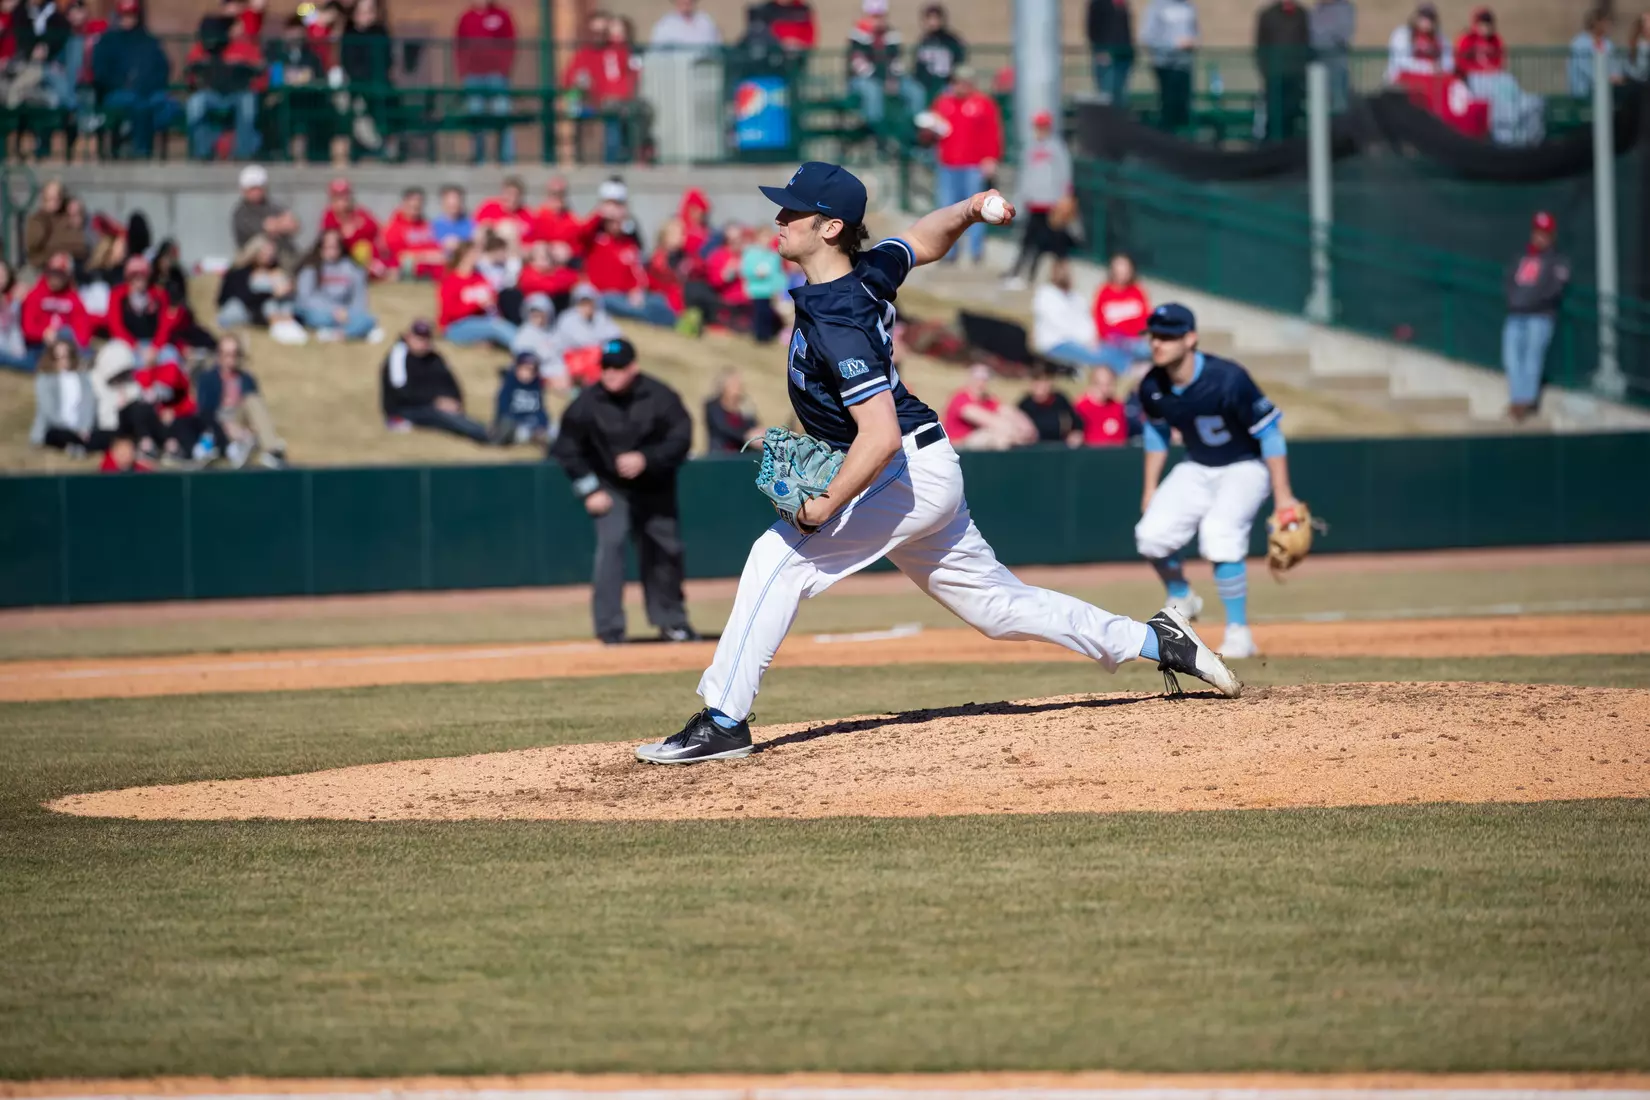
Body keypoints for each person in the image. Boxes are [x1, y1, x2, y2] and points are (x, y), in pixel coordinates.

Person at [633, 163, 1241, 764]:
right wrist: (971, 209)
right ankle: (1154, 638)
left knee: (778, 558)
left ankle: (723, 719)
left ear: (829, 227)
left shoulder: (841, 317)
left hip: (903, 470)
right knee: (997, 608)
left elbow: (879, 438)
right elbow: (923, 239)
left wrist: (822, 505)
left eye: (793, 210)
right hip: (924, 464)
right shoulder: (867, 273)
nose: (779, 218)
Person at [1134, 303, 1298, 662]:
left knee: (1220, 533)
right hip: (1198, 465)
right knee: (1151, 535)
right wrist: (1150, 487)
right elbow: (1156, 433)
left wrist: (1283, 495)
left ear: (1190, 338)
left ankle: (1239, 633)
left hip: (1244, 465)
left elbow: (1270, 433)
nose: (1157, 343)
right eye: (1153, 335)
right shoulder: (1152, 385)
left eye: (1168, 335)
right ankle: (1182, 595)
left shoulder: (1228, 378)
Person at [551, 336, 698, 646]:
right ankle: (610, 629)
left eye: (617, 367)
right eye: (605, 367)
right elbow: (566, 448)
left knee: (664, 550)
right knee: (612, 546)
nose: (610, 374)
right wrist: (589, 489)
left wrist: (647, 459)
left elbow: (681, 438)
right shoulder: (588, 403)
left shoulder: (659, 396)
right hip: (609, 486)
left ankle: (672, 622)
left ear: (633, 367)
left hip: (654, 484)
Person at [929, 67, 1002, 265]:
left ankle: (976, 250)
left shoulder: (984, 104)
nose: (961, 86)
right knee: (947, 210)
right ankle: (949, 252)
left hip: (973, 165)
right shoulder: (943, 103)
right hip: (948, 165)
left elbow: (992, 133)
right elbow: (930, 131)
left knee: (976, 210)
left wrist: (991, 157)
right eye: (958, 82)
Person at [1502, 211, 1570, 422]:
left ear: (1551, 236)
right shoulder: (1522, 257)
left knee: (1532, 359)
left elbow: (1555, 289)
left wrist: (1531, 302)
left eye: (1544, 233)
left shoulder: (1558, 260)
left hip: (1539, 317)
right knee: (1511, 358)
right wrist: (1515, 300)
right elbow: (1509, 280)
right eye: (1537, 232)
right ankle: (1516, 399)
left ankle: (1525, 402)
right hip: (1516, 315)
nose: (1539, 236)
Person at [90, 0, 175, 158]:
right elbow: (101, 73)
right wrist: (123, 83)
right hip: (116, 92)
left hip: (148, 91)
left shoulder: (149, 42)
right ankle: (141, 152)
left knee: (165, 105)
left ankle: (155, 152)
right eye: (125, 15)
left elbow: (162, 69)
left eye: (132, 15)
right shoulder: (107, 41)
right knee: (138, 104)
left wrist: (148, 85)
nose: (128, 19)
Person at [380, 319, 490, 442]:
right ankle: (485, 436)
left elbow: (449, 381)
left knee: (454, 416)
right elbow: (400, 392)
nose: (423, 343)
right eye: (419, 338)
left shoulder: (434, 358)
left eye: (426, 338)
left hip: (431, 405)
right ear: (408, 337)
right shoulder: (398, 356)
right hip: (404, 409)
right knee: (444, 417)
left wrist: (454, 401)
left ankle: (489, 430)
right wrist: (435, 402)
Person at [184, 5, 265, 160]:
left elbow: (261, 74)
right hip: (212, 94)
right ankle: (202, 153)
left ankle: (243, 153)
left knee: (248, 102)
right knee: (196, 103)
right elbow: (190, 74)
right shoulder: (204, 47)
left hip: (239, 94)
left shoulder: (246, 48)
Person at [196, 333, 286, 467]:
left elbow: (256, 410)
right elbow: (205, 410)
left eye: (235, 353)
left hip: (240, 419)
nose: (231, 358)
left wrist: (248, 428)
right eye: (226, 354)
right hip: (219, 421)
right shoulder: (208, 378)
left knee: (252, 400)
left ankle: (271, 450)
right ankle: (239, 448)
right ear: (219, 355)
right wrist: (225, 426)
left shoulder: (246, 379)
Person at [1006, 109, 1072, 288]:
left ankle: (1061, 279)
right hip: (1034, 204)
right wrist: (1020, 200)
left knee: (1057, 245)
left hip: (1052, 205)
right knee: (1028, 241)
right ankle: (1018, 273)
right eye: (1038, 126)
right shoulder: (1030, 147)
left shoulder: (1056, 147)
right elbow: (1025, 176)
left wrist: (1064, 197)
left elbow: (1064, 174)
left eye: (1043, 126)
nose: (1040, 129)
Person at [455, 0, 518, 165]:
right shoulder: (466, 17)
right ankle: (478, 159)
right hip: (473, 76)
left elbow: (510, 42)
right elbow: (459, 46)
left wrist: (504, 68)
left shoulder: (501, 15)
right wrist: (463, 71)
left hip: (496, 76)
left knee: (502, 113)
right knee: (475, 115)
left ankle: (506, 159)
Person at [846, 0, 924, 129]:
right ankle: (875, 129)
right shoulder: (857, 35)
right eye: (874, 16)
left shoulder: (892, 34)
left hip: (889, 78)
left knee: (915, 89)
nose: (877, 20)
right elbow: (861, 66)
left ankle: (915, 127)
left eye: (880, 16)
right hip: (862, 80)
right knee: (873, 90)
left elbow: (896, 62)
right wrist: (885, 79)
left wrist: (893, 78)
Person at [217, 234, 307, 345]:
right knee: (268, 304)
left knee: (284, 303)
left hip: (269, 308)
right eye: (265, 253)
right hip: (243, 309)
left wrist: (288, 288)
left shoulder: (276, 271)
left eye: (271, 253)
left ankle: (288, 325)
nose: (269, 256)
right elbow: (244, 297)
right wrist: (272, 293)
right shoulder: (240, 273)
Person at [296, 228, 382, 342]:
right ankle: (356, 332)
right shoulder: (310, 268)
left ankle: (338, 334)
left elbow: (359, 297)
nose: (331, 251)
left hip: (346, 313)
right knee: (317, 317)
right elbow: (305, 298)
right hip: (320, 312)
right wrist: (334, 310)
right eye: (327, 247)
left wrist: (350, 313)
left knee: (368, 320)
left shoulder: (352, 268)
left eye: (335, 247)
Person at [438, 241, 518, 348]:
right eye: (474, 254)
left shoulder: (479, 277)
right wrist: (476, 305)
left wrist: (491, 300)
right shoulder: (451, 281)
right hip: (456, 326)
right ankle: (525, 349)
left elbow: (492, 295)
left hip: (483, 320)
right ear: (464, 256)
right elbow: (450, 312)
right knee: (496, 326)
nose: (477, 257)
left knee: (500, 323)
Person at [107, 254, 181, 366]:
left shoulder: (159, 295)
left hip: (152, 344)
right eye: (134, 275)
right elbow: (115, 326)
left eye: (142, 274)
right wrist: (136, 347)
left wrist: (154, 348)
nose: (139, 279)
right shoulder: (117, 295)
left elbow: (164, 326)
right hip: (128, 344)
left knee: (171, 355)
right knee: (118, 356)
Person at [1032, 259, 1106, 371]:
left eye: (1067, 272)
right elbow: (1060, 326)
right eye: (1061, 272)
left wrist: (1093, 338)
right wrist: (1085, 341)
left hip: (1082, 342)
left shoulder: (1076, 298)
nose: (1064, 275)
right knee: (1098, 357)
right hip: (1055, 344)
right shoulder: (1045, 296)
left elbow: (1087, 320)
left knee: (1109, 350)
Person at [1255, 0, 1311, 140]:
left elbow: (1306, 41)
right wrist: (1266, 70)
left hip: (1295, 75)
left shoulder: (1301, 14)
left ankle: (1290, 147)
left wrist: (1302, 69)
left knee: (1292, 112)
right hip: (1274, 74)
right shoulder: (1267, 15)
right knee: (1274, 113)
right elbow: (1261, 44)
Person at [21, 252, 91, 361]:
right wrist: (44, 333)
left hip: (66, 344)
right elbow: (28, 327)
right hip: (40, 345)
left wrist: (75, 343)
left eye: (60, 274)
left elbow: (82, 327)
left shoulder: (73, 298)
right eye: (52, 272)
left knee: (69, 335)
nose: (55, 278)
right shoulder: (35, 294)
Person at [30, 337, 95, 454]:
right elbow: (48, 410)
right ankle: (76, 445)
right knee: (56, 435)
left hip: (80, 428)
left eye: (66, 356)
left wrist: (84, 428)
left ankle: (79, 444)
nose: (62, 360)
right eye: (58, 357)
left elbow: (88, 404)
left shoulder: (83, 378)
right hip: (56, 427)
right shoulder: (45, 379)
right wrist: (72, 430)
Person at [1141, 0, 1199, 130]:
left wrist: (1193, 42)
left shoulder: (1189, 7)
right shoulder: (1157, 7)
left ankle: (1183, 141)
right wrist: (1173, 45)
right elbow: (1147, 37)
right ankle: (1167, 140)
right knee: (1168, 105)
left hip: (1184, 65)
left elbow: (1195, 32)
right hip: (1165, 65)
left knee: (1184, 105)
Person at [230, 164, 301, 267]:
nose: (256, 192)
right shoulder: (241, 213)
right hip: (248, 258)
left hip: (276, 253)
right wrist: (280, 223)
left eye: (259, 188)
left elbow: (294, 224)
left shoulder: (271, 206)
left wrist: (282, 223)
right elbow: (266, 228)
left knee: (289, 248)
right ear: (244, 190)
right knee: (262, 243)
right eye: (252, 189)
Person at [554, 283, 624, 385]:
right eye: (582, 303)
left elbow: (617, 338)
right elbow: (573, 344)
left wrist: (605, 349)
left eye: (589, 302)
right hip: (573, 360)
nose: (586, 306)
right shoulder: (567, 319)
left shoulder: (601, 317)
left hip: (598, 358)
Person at [1093, 253, 1152, 374]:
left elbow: (1146, 318)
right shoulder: (1104, 292)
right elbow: (1099, 321)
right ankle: (1132, 367)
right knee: (1106, 353)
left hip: (1136, 341)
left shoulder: (1137, 291)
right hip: (1114, 342)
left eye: (1125, 269)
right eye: (1119, 269)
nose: (1122, 273)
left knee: (1147, 349)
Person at [320, 177, 385, 278]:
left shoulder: (361, 214)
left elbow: (380, 232)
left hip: (369, 261)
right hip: (341, 263)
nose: (343, 201)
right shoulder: (329, 217)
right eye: (338, 197)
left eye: (345, 196)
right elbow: (329, 245)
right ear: (332, 199)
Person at [384, 187, 446, 280]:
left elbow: (437, 247)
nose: (416, 205)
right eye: (412, 203)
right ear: (404, 203)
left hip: (432, 265)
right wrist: (426, 256)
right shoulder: (395, 227)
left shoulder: (426, 224)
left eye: (419, 204)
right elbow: (400, 256)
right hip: (409, 269)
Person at [492, 349, 552, 445]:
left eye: (532, 370)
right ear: (517, 368)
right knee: (516, 430)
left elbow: (540, 409)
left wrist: (542, 424)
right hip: (514, 424)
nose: (527, 374)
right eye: (524, 369)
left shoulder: (536, 385)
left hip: (532, 423)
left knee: (555, 430)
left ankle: (538, 437)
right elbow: (503, 409)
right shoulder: (510, 384)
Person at [24, 180, 85, 272]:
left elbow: (79, 244)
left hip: (71, 266)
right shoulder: (37, 220)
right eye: (50, 198)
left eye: (58, 197)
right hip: (43, 268)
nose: (54, 201)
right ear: (43, 198)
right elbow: (33, 248)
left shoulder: (66, 216)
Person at [740, 229, 787, 343]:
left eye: (768, 238)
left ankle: (766, 335)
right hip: (756, 289)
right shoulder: (751, 253)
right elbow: (745, 270)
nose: (766, 241)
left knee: (767, 313)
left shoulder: (773, 255)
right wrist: (755, 273)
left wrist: (779, 289)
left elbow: (778, 274)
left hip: (768, 290)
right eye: (763, 237)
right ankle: (758, 335)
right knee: (758, 313)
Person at [1386, 3, 1451, 83]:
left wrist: (1438, 68)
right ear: (1416, 17)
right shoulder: (1403, 34)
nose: (1426, 21)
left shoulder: (1440, 39)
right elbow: (1402, 63)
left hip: (1433, 81)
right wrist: (1428, 67)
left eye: (1430, 17)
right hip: (1403, 82)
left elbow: (1448, 64)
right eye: (1423, 16)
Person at [912, 4, 966, 102]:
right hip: (926, 84)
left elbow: (959, 62)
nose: (933, 22)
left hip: (947, 83)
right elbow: (918, 67)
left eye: (936, 18)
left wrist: (953, 81)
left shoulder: (952, 41)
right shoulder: (923, 41)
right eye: (929, 19)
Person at [1310, 0, 1356, 110]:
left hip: (1336, 69)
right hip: (1316, 68)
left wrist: (1319, 42)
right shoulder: (1317, 9)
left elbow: (1342, 35)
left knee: (1338, 106)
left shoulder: (1344, 8)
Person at [1087, 0, 1135, 104]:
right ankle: (1108, 119)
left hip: (1123, 54)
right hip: (1106, 53)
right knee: (1107, 93)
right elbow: (1092, 28)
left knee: (1121, 93)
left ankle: (1119, 118)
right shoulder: (1098, 3)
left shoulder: (1122, 4)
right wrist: (1100, 50)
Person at [1018, 371, 1083, 447]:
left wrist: (1075, 433)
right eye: (1037, 382)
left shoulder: (1060, 400)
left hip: (1059, 445)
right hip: (1033, 447)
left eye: (1045, 382)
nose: (1042, 386)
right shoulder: (1025, 404)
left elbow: (1077, 421)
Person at [1569, 8, 1622, 97]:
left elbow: (1614, 65)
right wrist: (1605, 79)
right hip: (1585, 90)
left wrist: (1616, 77)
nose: (1609, 25)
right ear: (1596, 23)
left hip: (1608, 88)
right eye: (1606, 22)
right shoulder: (1579, 43)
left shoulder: (1608, 43)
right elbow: (1585, 68)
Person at [510, 291, 562, 377]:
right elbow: (522, 357)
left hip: (556, 367)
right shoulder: (525, 333)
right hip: (536, 371)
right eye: (535, 315)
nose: (539, 318)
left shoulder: (553, 331)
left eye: (541, 314)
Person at [473, 175, 535, 246]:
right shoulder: (489, 206)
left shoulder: (526, 213)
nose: (512, 199)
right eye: (509, 194)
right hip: (489, 246)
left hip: (514, 250)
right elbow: (477, 226)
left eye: (515, 195)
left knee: (507, 228)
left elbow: (530, 236)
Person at [1074, 365, 1129, 446]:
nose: (1104, 389)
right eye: (1099, 384)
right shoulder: (1081, 408)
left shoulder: (1119, 407)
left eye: (1108, 384)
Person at [649, 0, 721, 54]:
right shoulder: (665, 25)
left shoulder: (706, 22)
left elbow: (718, 49)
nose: (686, 1)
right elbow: (656, 53)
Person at [0, 261, 32, 371]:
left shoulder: (16, 294)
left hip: (15, 348)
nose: (1, 277)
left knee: (31, 360)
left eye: (3, 273)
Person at [1454, 7, 1503, 75]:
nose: (1486, 27)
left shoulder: (1495, 39)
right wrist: (1474, 70)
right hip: (1470, 75)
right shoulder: (1468, 38)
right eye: (1482, 24)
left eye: (1488, 24)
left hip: (1492, 75)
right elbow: (1460, 61)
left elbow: (1499, 61)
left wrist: (1491, 69)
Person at [431, 185, 476, 259]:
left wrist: (460, 244)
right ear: (443, 202)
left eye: (457, 200)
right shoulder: (433, 226)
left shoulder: (471, 224)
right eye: (450, 202)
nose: (454, 203)